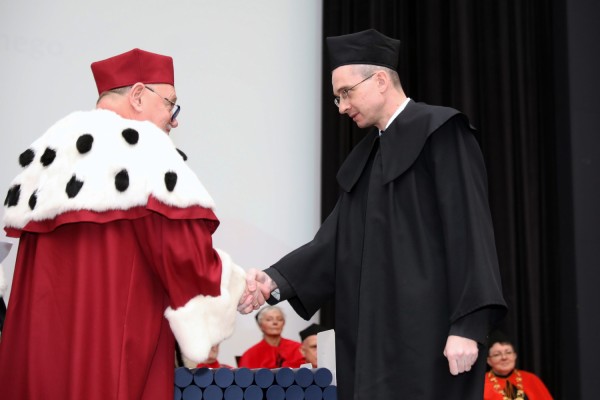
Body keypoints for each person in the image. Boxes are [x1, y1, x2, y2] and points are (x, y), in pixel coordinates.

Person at [238, 29, 507, 399]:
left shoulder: (442, 133)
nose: (343, 106)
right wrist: (272, 281)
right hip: (372, 340)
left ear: (381, 80)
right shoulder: (366, 157)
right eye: (336, 98)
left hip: (431, 337)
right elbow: (332, 245)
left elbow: (471, 231)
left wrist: (468, 325)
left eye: (346, 92)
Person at [0, 48, 246, 399]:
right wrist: (235, 282)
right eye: (169, 103)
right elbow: (185, 256)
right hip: (113, 358)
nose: (174, 120)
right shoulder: (144, 150)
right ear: (138, 95)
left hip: (38, 363)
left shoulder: (48, 157)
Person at [484, 331, 553, 400]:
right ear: (489, 360)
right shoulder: (482, 383)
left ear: (514, 356)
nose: (504, 357)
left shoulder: (530, 379)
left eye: (508, 352)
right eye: (497, 354)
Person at [238, 305, 305, 368]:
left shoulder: (298, 348)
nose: (275, 322)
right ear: (260, 325)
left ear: (283, 323)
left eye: (279, 319)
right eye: (269, 319)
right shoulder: (250, 355)